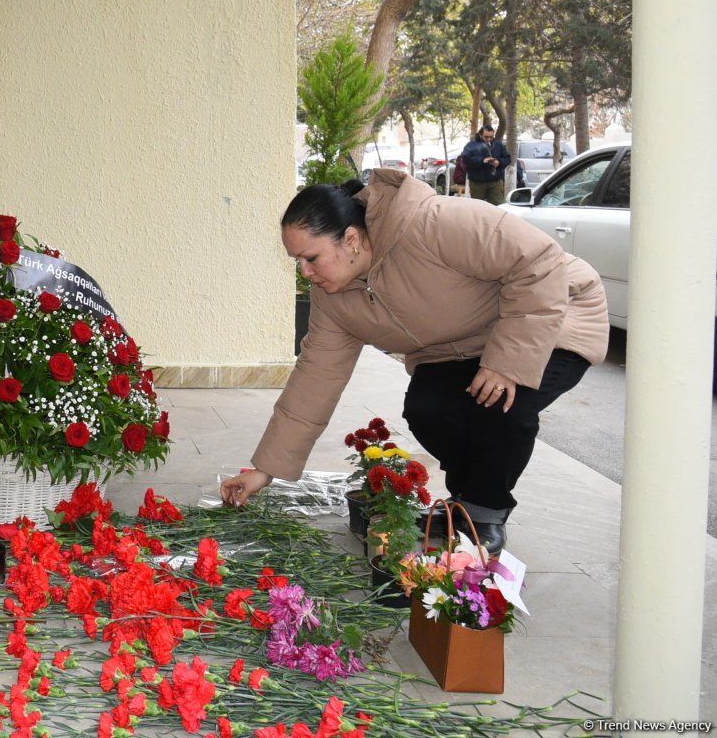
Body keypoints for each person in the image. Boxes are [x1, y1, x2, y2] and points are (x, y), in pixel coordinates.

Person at [220, 171, 608, 554]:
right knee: (428, 409)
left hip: (554, 315)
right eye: (297, 262)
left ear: (351, 239)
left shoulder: (433, 222)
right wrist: (264, 469)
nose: (305, 273)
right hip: (463, 345)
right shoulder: (333, 298)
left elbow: (540, 261)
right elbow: (315, 379)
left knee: (503, 405)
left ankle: (484, 512)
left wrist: (506, 362)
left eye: (311, 258)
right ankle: (465, 504)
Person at [460, 124, 512, 205]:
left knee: (499, 206)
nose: (489, 139)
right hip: (477, 182)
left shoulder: (498, 145)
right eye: (486, 137)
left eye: (491, 137)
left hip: (495, 182)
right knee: (477, 207)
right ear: (480, 135)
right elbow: (465, 159)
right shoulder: (471, 145)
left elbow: (507, 158)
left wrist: (499, 162)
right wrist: (481, 161)